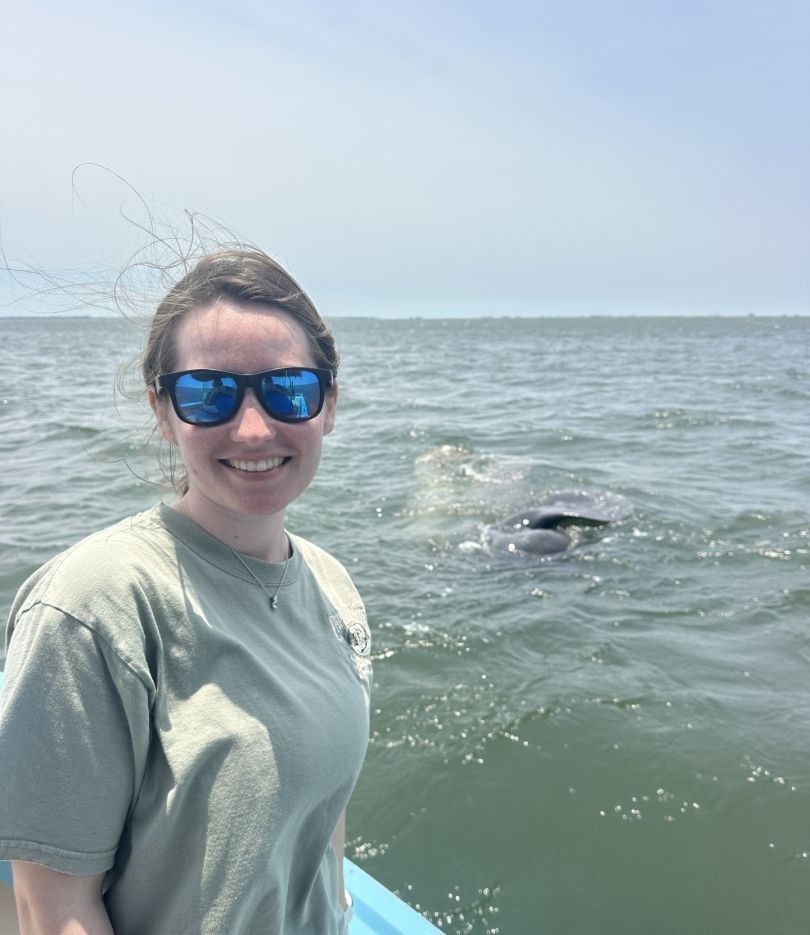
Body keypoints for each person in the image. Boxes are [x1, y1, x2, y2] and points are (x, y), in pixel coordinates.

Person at [0, 249, 372, 934]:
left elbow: (321, 818)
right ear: (163, 411)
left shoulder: (333, 587)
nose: (254, 428)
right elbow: (53, 911)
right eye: (209, 394)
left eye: (290, 389)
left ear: (328, 406)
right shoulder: (91, 607)